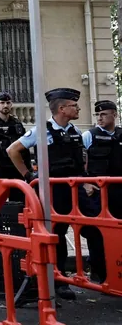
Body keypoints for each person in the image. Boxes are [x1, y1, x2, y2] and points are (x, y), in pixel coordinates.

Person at [6, 88, 104, 300]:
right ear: (62, 109)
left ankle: (99, 272)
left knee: (95, 228)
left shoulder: (75, 131)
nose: (78, 108)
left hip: (76, 188)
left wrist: (86, 182)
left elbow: (80, 161)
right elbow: (12, 150)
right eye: (74, 105)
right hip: (54, 191)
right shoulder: (42, 131)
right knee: (57, 234)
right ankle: (59, 281)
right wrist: (28, 175)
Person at [78, 100, 118, 282]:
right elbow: (79, 163)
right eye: (97, 115)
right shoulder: (89, 136)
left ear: (114, 115)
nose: (99, 118)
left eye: (103, 114)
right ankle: (98, 272)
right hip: (97, 193)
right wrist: (85, 184)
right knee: (96, 233)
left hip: (119, 193)